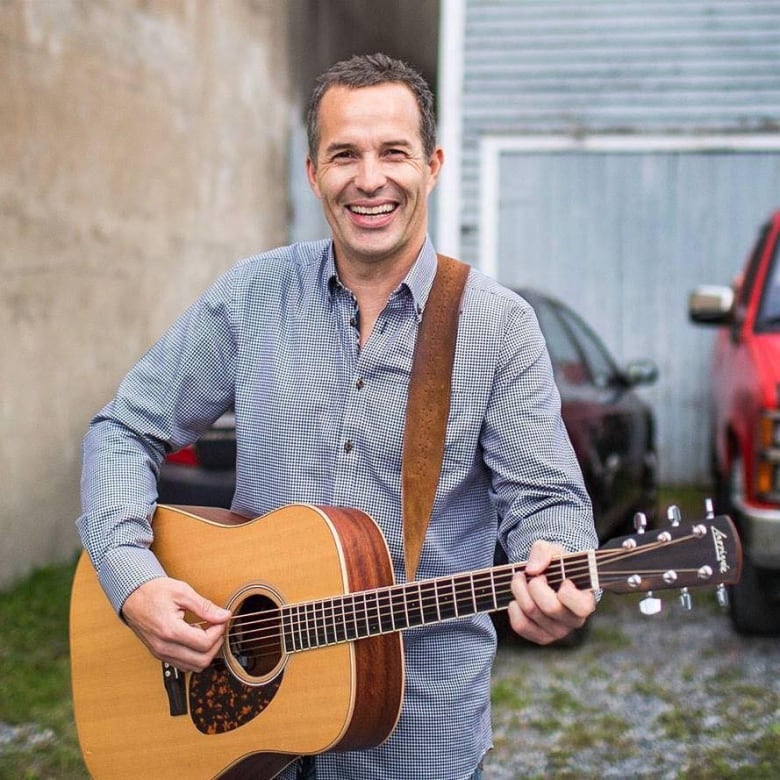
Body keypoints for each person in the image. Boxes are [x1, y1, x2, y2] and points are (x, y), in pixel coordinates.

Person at [78, 52, 599, 780]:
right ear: (313, 172)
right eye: (344, 154)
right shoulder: (252, 296)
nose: (370, 178)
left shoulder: (496, 326)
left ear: (434, 164)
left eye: (394, 152)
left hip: (418, 742)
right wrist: (133, 580)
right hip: (237, 732)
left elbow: (549, 502)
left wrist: (561, 561)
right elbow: (124, 430)